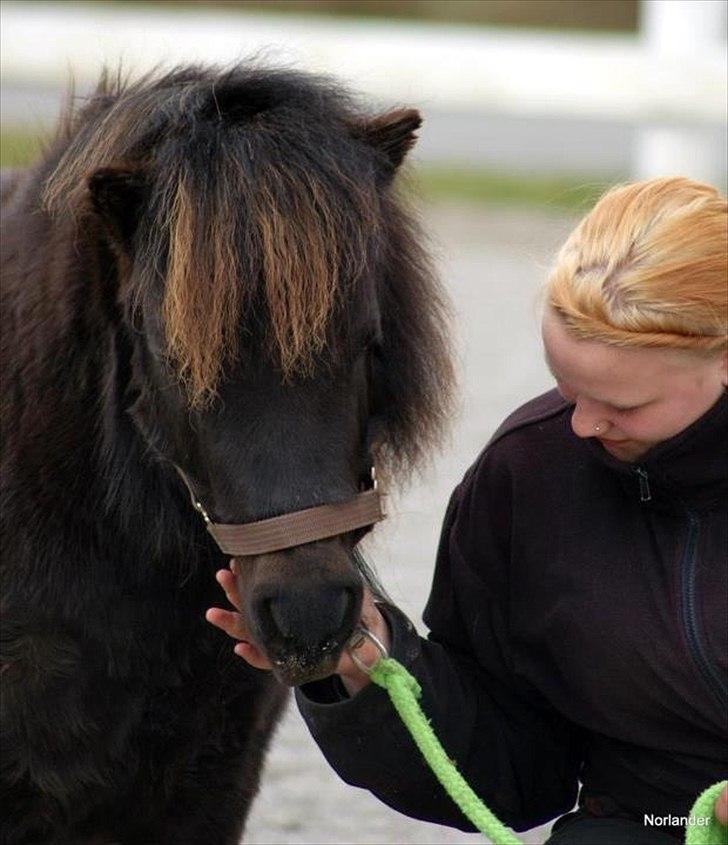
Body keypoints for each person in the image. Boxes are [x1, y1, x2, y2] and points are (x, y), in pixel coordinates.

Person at [206, 177, 727, 844]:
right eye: (568, 389)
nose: (582, 425)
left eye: (625, 407)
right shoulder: (528, 474)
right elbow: (515, 771)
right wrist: (374, 670)